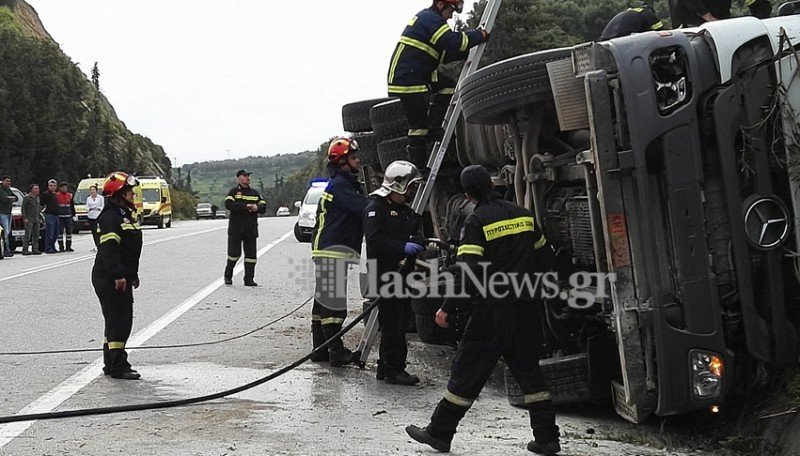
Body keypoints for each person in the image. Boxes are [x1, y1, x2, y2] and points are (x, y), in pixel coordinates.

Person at [406, 165, 560, 455]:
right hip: (526, 308)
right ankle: (547, 438)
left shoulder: (476, 222)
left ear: (468, 194)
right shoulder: (524, 215)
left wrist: (447, 307)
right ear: (491, 184)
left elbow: (468, 272)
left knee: (467, 371)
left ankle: (439, 433)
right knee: (529, 373)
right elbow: (546, 258)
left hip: (491, 311)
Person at [387, 0, 489, 171]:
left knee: (448, 86)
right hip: (408, 79)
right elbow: (452, 41)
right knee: (418, 127)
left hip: (417, 73)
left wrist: (465, 53)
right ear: (441, 4)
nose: (451, 16)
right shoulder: (431, 19)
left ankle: (434, 127)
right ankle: (418, 168)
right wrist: (479, 36)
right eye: (451, 10)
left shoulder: (429, 20)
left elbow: (443, 53)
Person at [364, 160, 425, 385]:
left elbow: (413, 234)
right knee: (392, 325)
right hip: (385, 275)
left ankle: (393, 366)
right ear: (399, 185)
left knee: (400, 323)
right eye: (410, 187)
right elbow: (375, 240)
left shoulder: (405, 212)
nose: (412, 192)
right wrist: (402, 247)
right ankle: (391, 369)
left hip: (403, 275)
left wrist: (416, 242)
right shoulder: (375, 209)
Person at [309, 137, 369, 367]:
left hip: (328, 249)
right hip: (333, 250)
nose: (358, 161)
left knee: (322, 302)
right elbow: (363, 208)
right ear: (341, 162)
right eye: (353, 158)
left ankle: (320, 349)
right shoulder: (342, 186)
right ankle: (336, 352)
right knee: (334, 304)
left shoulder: (342, 183)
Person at [93, 172, 143, 380]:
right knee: (119, 321)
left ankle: (111, 363)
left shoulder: (123, 215)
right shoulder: (110, 218)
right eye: (129, 191)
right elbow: (110, 250)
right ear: (119, 194)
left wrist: (132, 274)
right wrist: (118, 275)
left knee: (116, 320)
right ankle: (118, 366)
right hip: (109, 277)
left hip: (119, 275)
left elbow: (129, 251)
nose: (133, 194)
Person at [223, 169, 267, 287]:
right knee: (234, 254)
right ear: (238, 178)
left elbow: (263, 206)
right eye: (245, 176)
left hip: (250, 229)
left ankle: (249, 279)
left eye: (248, 176)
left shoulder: (254, 193)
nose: (247, 178)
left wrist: (257, 208)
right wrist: (245, 206)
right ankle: (228, 275)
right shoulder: (233, 192)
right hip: (236, 229)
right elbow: (228, 205)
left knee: (251, 256)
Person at [669, 0, 771, 26]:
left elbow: (759, 6)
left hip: (719, 22)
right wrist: (709, 17)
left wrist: (763, 19)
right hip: (692, 26)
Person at [599, 4, 664, 40]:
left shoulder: (633, 13)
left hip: (606, 36)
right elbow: (661, 30)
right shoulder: (647, 12)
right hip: (619, 37)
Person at [39, 179, 60, 254]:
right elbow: (41, 203)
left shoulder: (57, 195)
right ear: (48, 186)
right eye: (51, 186)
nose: (52, 187)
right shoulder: (45, 194)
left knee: (56, 232)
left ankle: (53, 246)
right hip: (49, 215)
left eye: (54, 186)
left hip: (56, 215)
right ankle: (48, 248)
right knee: (49, 233)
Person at [21, 184, 41, 256]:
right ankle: (25, 249)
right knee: (28, 235)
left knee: (36, 234)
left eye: (38, 189)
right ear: (31, 189)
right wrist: (24, 218)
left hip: (36, 218)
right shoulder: (27, 198)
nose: (37, 190)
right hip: (29, 218)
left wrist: (39, 218)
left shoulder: (37, 198)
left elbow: (38, 209)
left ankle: (35, 249)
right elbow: (23, 208)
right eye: (36, 189)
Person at [56, 181, 76, 252]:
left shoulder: (70, 195)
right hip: (60, 216)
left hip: (68, 216)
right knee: (60, 233)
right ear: (60, 188)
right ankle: (61, 247)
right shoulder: (57, 195)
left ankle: (68, 247)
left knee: (69, 232)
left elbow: (72, 206)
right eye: (63, 188)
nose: (64, 189)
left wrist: (74, 215)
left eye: (65, 188)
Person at [0, 176, 17, 257]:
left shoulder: (8, 189)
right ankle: (6, 250)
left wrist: (11, 198)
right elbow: (3, 199)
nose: (8, 183)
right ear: (2, 181)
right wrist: (9, 199)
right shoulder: (1, 190)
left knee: (8, 232)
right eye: (6, 181)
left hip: (9, 213)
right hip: (2, 213)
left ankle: (8, 248)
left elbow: (15, 197)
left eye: (9, 181)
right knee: (5, 232)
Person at [86, 184, 104, 250]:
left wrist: (98, 208)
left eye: (93, 190)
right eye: (91, 190)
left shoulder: (100, 198)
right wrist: (90, 208)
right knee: (93, 232)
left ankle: (100, 244)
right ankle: (96, 245)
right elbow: (87, 207)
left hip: (98, 216)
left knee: (98, 231)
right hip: (91, 216)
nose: (92, 191)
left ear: (96, 190)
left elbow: (102, 206)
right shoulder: (88, 198)